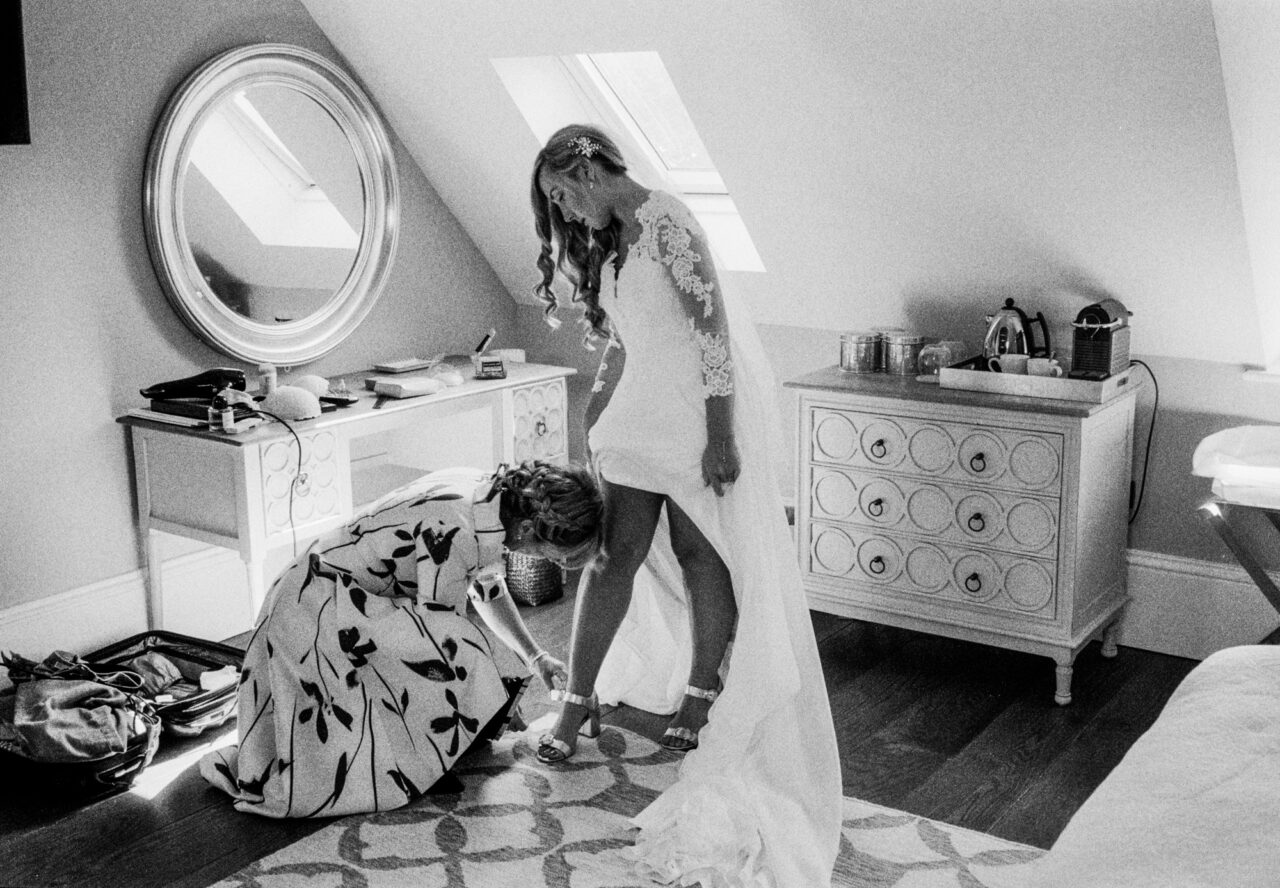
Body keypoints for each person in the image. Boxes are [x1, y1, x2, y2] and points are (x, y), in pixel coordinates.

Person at [529, 124, 843, 887]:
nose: (566, 213)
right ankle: (577, 701)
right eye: (555, 206)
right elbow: (628, 340)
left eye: (564, 194)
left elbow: (712, 336)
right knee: (614, 558)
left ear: (587, 165)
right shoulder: (609, 239)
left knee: (706, 556)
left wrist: (718, 436)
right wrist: (596, 409)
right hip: (640, 418)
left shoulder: (669, 221)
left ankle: (702, 697)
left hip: (699, 415)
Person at [199, 461, 602, 818]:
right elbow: (441, 636)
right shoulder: (457, 527)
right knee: (463, 653)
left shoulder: (485, 496)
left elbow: (486, 588)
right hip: (314, 610)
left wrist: (536, 657)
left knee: (469, 658)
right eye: (551, 556)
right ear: (529, 528)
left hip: (337, 598)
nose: (548, 563)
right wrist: (489, 693)